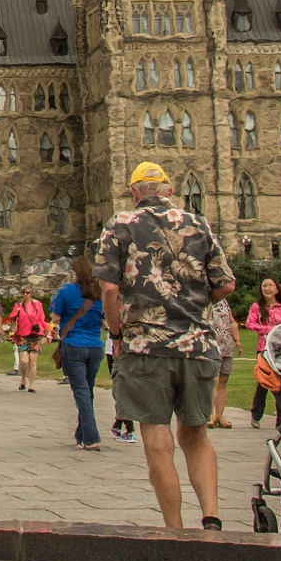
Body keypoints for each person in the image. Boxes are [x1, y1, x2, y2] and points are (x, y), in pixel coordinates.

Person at [96, 162, 233, 524]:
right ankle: (212, 518)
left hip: (146, 347)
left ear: (135, 192)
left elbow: (109, 289)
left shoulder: (121, 225)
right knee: (197, 437)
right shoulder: (199, 224)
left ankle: (175, 528)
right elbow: (226, 284)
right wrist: (192, 306)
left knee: (158, 441)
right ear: (169, 190)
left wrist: (117, 334)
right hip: (198, 347)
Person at [48, 255, 106, 450]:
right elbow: (105, 320)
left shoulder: (67, 291)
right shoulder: (98, 293)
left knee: (81, 392)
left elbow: (55, 318)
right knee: (87, 391)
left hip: (74, 345)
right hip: (95, 345)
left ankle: (91, 437)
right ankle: (80, 433)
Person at [244, 277, 281, 427]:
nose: (267, 289)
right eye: (264, 286)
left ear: (277, 289)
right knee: (263, 382)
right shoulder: (257, 307)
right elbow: (250, 324)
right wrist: (268, 330)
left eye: (270, 286)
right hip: (264, 349)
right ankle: (256, 414)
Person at [205, 296, 239, 428]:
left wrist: (237, 340)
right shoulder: (204, 299)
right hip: (211, 345)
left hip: (226, 346)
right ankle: (209, 414)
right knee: (214, 380)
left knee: (224, 380)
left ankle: (220, 415)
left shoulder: (224, 301)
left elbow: (232, 322)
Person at [9, 289, 48, 391]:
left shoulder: (37, 304)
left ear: (31, 294)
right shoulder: (18, 305)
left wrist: (47, 333)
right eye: (23, 293)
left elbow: (42, 318)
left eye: (28, 292)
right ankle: (23, 378)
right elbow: (12, 318)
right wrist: (16, 313)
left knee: (33, 362)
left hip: (35, 335)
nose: (25, 295)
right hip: (23, 335)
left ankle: (31, 385)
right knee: (23, 361)